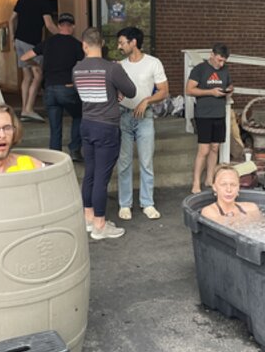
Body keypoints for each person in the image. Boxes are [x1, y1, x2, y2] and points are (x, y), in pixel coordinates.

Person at [73, 27, 136, 240]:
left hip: (86, 124)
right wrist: (118, 82)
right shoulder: (112, 68)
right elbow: (131, 91)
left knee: (90, 173)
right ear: (102, 44)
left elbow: (84, 92)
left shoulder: (77, 69)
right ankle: (100, 225)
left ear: (84, 45)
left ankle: (88, 217)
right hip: (106, 127)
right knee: (101, 177)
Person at [116, 27, 169, 220]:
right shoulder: (119, 65)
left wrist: (147, 100)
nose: (119, 46)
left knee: (146, 162)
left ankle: (147, 203)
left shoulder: (153, 63)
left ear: (134, 42)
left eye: (122, 42)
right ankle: (125, 204)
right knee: (124, 163)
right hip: (123, 115)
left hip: (145, 117)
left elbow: (163, 91)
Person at [21, 13, 84, 161]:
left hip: (49, 89)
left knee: (55, 127)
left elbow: (24, 57)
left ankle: (55, 157)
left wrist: (35, 65)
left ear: (59, 26)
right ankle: (75, 149)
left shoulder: (48, 42)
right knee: (79, 115)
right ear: (73, 27)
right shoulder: (76, 44)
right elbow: (85, 63)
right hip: (67, 88)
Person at [186, 43, 233, 194]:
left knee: (215, 148)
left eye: (224, 61)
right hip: (204, 114)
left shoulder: (225, 70)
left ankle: (209, 179)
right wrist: (211, 92)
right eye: (219, 60)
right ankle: (195, 183)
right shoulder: (199, 69)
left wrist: (229, 90)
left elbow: (230, 85)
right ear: (212, 55)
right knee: (204, 150)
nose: (221, 64)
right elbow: (189, 90)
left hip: (219, 113)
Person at [9, 0, 58, 122]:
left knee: (27, 76)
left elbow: (11, 19)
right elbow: (49, 25)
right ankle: (28, 109)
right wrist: (63, 36)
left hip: (18, 41)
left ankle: (24, 110)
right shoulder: (43, 2)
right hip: (31, 43)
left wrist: (12, 37)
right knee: (38, 74)